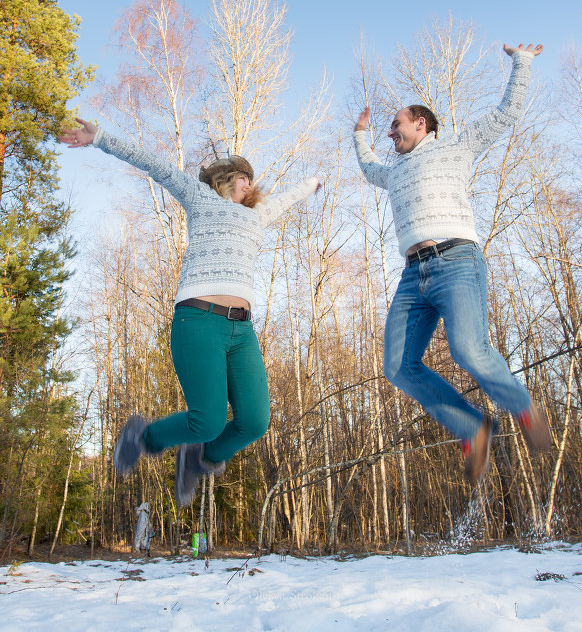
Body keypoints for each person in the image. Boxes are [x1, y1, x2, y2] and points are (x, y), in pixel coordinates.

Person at [60, 119, 319, 505]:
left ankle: (200, 458)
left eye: (251, 179)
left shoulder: (255, 216)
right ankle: (142, 436)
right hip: (198, 321)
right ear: (224, 180)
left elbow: (282, 201)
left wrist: (310, 185)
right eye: (243, 178)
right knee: (208, 420)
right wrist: (99, 138)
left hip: (242, 333)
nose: (250, 184)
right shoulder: (201, 199)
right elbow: (155, 165)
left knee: (254, 421)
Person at [353, 43, 551, 484]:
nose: (391, 133)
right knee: (399, 366)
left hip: (456, 260)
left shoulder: (456, 147)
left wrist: (522, 61)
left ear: (420, 124)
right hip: (412, 276)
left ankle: (521, 406)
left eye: (395, 125)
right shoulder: (396, 170)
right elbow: (369, 169)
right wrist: (361, 135)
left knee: (467, 349)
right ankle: (473, 428)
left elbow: (505, 114)